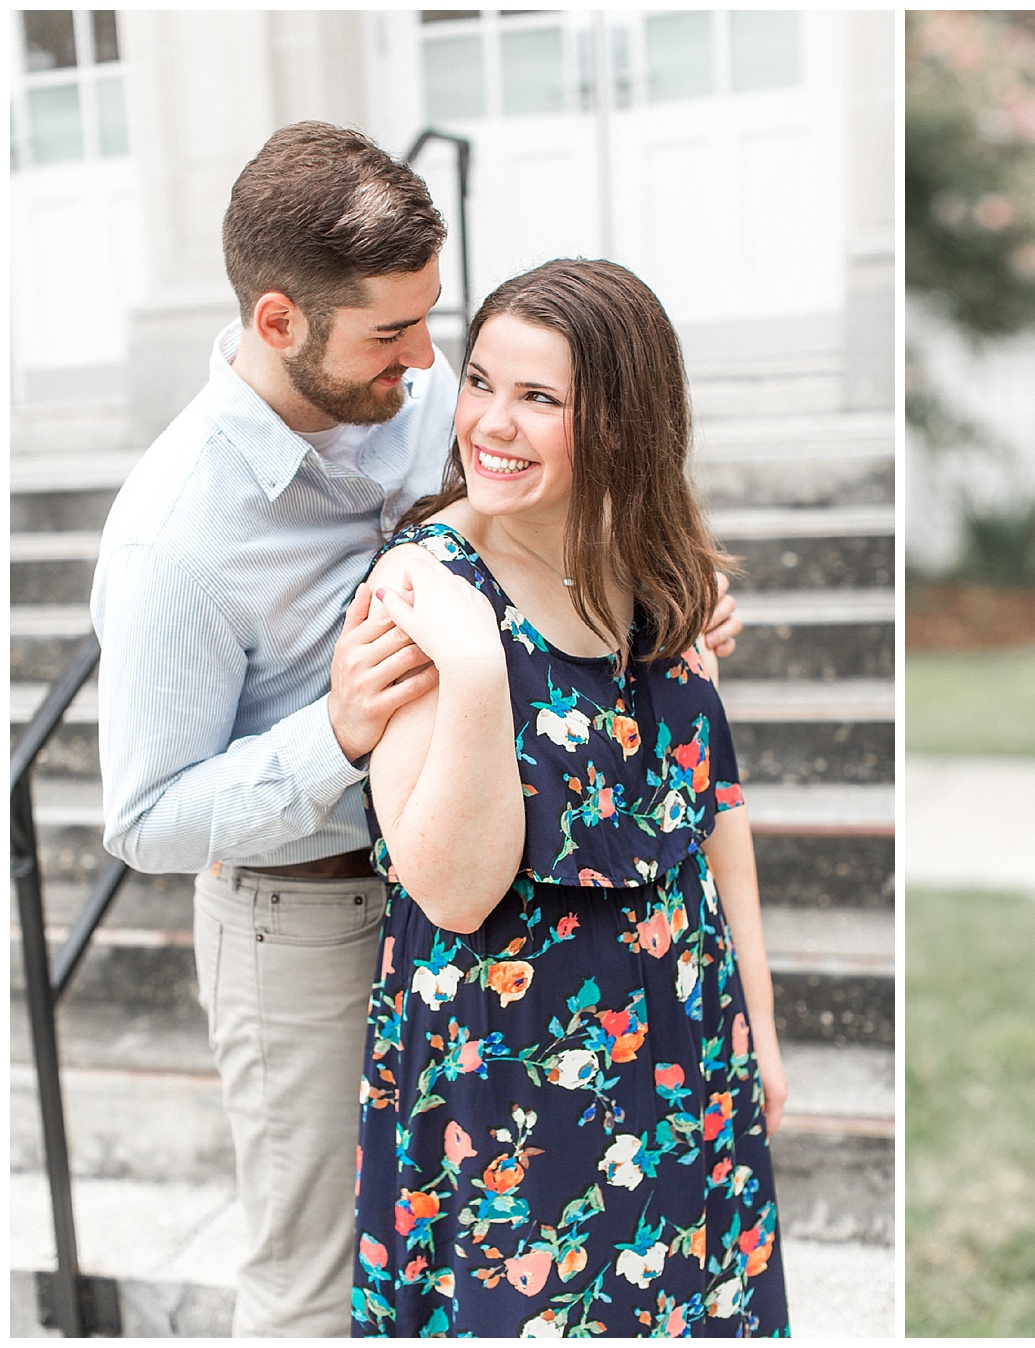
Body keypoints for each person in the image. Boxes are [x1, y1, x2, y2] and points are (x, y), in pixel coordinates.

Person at [89, 123, 739, 1337]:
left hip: (491, 907)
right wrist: (331, 735)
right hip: (307, 912)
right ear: (280, 322)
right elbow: (142, 816)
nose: (430, 364)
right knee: (321, 1280)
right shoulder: (172, 540)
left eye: (431, 321)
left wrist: (669, 583)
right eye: (394, 333)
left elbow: (553, 491)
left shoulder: (428, 386)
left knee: (459, 1269)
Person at [348, 259, 788, 1337]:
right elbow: (449, 889)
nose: (491, 423)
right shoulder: (423, 588)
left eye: (539, 398)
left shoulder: (664, 578)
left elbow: (712, 816)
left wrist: (762, 1030)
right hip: (511, 1083)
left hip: (688, 1043)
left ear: (624, 426)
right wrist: (481, 670)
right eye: (483, 381)